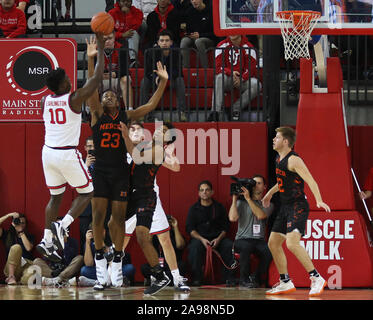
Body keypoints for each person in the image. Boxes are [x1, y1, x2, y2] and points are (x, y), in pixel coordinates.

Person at [85, 36, 169, 290]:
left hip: (121, 171)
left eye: (112, 94)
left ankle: (118, 258)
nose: (108, 96)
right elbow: (91, 88)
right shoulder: (97, 114)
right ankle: (100, 258)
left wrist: (163, 83)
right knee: (98, 217)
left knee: (118, 219)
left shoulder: (126, 115)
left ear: (119, 101)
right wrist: (91, 60)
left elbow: (152, 104)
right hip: (101, 170)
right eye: (106, 94)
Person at [36, 33, 105, 264]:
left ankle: (46, 240)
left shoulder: (45, 101)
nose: (70, 79)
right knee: (87, 191)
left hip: (48, 153)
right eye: (67, 78)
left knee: (55, 197)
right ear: (63, 84)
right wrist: (99, 50)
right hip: (66, 152)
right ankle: (62, 227)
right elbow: (95, 81)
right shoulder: (72, 99)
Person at [262, 126, 330, 296]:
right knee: (273, 242)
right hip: (285, 207)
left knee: (292, 243)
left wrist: (319, 200)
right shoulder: (279, 158)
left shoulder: (294, 160)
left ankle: (316, 278)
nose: (273, 139)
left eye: (276, 137)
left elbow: (311, 180)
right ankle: (285, 281)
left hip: (297, 206)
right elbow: (282, 182)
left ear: (285, 141)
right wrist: (269, 194)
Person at [122, 120, 190, 292]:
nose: (136, 131)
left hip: (148, 197)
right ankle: (106, 277)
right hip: (129, 198)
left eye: (139, 129)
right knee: (119, 240)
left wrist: (171, 152)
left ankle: (177, 278)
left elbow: (176, 167)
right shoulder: (124, 148)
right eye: (132, 129)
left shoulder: (154, 150)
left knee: (165, 239)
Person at [185, 180, 236, 286]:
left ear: (212, 192)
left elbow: (226, 227)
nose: (204, 192)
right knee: (194, 248)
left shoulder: (219, 207)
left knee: (229, 246)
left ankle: (228, 279)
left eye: (207, 190)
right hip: (200, 239)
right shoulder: (193, 209)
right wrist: (202, 239)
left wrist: (218, 239)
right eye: (202, 190)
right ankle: (196, 279)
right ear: (198, 193)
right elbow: (190, 229)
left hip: (217, 239)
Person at [228, 175, 273, 288]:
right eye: (254, 183)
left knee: (269, 251)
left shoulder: (267, 204)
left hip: (259, 240)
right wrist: (234, 199)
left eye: (259, 183)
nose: (256, 186)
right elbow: (232, 218)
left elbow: (261, 215)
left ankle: (255, 277)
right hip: (242, 239)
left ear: (264, 187)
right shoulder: (241, 203)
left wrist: (248, 199)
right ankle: (243, 280)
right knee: (246, 246)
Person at [208, 34, 260, 122]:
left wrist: (242, 78)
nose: (232, 33)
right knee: (220, 77)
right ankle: (215, 112)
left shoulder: (248, 46)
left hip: (243, 80)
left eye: (235, 30)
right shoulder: (222, 45)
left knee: (257, 84)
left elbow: (252, 69)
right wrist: (231, 72)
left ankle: (235, 109)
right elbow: (217, 67)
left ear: (240, 32)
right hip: (227, 78)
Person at [140, 29, 187, 122]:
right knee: (145, 81)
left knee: (180, 80)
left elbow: (178, 72)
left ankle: (181, 112)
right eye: (161, 41)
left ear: (171, 42)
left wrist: (165, 77)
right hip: (156, 78)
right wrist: (157, 77)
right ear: (158, 42)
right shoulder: (150, 52)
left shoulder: (177, 53)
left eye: (167, 40)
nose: (164, 43)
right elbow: (148, 71)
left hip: (171, 79)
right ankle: (143, 113)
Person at [140, 215, 188, 288]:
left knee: (182, 265)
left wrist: (175, 227)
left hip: (171, 267)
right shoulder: (155, 235)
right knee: (144, 267)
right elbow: (148, 244)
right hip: (158, 267)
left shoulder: (174, 234)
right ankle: (166, 279)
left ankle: (161, 280)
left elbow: (180, 245)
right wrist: (153, 227)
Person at [36, 218, 84, 287]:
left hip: (67, 269)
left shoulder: (73, 242)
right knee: (36, 261)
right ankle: (60, 280)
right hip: (52, 271)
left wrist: (65, 243)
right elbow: (46, 258)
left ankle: (56, 280)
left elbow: (69, 259)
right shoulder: (49, 240)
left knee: (80, 258)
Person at [101, 31, 134, 110]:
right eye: (104, 39)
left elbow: (125, 70)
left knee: (126, 79)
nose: (107, 41)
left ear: (114, 38)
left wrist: (113, 74)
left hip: (117, 80)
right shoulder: (95, 50)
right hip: (102, 80)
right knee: (90, 82)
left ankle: (129, 111)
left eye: (109, 38)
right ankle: (89, 112)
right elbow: (93, 72)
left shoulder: (121, 49)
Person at [180, 0, 216, 68]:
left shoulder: (211, 10)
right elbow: (189, 29)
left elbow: (214, 33)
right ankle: (185, 69)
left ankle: (205, 69)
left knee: (199, 41)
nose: (194, 1)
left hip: (209, 39)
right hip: (194, 38)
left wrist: (200, 35)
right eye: (192, 0)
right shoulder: (189, 11)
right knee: (184, 41)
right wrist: (189, 34)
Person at [0, 212, 34, 285]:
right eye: (18, 222)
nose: (20, 224)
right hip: (10, 267)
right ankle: (11, 276)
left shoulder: (29, 236)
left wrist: (21, 232)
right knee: (16, 247)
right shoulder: (7, 234)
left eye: (23, 223)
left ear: (25, 224)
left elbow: (28, 248)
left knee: (29, 277)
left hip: (25, 265)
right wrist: (8, 215)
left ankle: (19, 282)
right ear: (13, 223)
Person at [108, 0, 143, 67]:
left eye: (128, 1)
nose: (126, 3)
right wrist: (122, 35)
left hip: (130, 35)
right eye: (123, 1)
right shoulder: (112, 13)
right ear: (118, 2)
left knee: (134, 33)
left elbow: (135, 26)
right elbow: (109, 31)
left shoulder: (137, 12)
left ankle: (133, 60)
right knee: (108, 36)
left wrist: (128, 14)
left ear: (131, 2)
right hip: (117, 37)